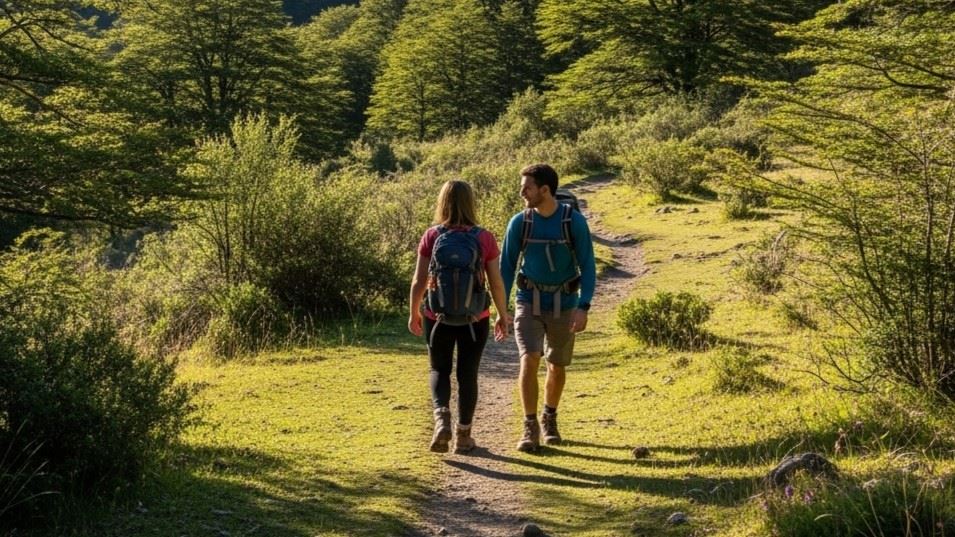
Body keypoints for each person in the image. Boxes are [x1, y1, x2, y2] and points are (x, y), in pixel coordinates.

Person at [409, 180, 511, 454]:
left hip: (437, 315)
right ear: (471, 203)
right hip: (475, 318)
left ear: (442, 202)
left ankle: (441, 417)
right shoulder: (484, 237)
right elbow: (496, 282)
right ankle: (463, 436)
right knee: (468, 374)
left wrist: (414, 312)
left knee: (439, 369)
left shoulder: (432, 235)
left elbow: (419, 280)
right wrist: (503, 315)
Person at [500, 164, 596, 452]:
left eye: (527, 187)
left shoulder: (573, 222)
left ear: (545, 190)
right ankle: (529, 426)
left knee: (556, 365)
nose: (522, 192)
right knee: (529, 358)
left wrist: (584, 306)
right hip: (528, 300)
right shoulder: (520, 222)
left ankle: (549, 417)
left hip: (565, 303)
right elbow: (506, 266)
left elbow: (588, 266)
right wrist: (501, 308)